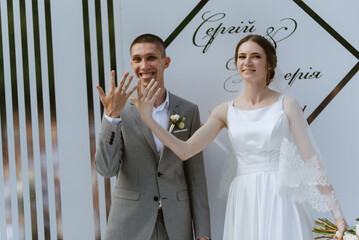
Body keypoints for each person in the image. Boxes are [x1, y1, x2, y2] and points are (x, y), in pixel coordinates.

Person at [131, 34, 348, 240]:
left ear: (269, 64)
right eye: (242, 57)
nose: (247, 62)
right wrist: (149, 120)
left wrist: (338, 216)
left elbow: (312, 161)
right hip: (244, 198)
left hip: (281, 196)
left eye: (256, 56)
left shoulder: (287, 105)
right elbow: (185, 151)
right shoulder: (225, 111)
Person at [94, 34, 211, 240]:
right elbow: (106, 169)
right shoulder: (120, 111)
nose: (144, 65)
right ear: (131, 64)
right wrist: (111, 117)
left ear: (165, 62)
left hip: (176, 224)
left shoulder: (188, 110)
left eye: (151, 58)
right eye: (137, 59)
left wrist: (202, 234)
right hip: (130, 224)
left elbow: (196, 177)